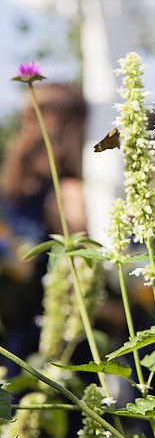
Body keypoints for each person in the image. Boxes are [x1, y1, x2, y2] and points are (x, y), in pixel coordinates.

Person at [0, 82, 88, 376]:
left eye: (33, 116)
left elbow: (83, 272)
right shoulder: (14, 192)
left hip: (47, 341)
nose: (23, 128)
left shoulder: (66, 194)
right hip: (17, 332)